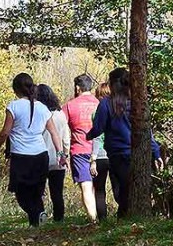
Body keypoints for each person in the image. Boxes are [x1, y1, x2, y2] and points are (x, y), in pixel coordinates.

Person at [0, 73, 66, 227]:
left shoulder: (13, 106)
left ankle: (37, 215)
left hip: (21, 156)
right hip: (40, 155)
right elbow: (54, 133)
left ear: (16, 89)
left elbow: (5, 132)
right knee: (36, 191)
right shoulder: (43, 108)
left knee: (21, 193)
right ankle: (36, 222)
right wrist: (61, 154)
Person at [87, 69, 161, 219]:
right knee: (132, 189)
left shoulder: (106, 104)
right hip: (138, 151)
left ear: (112, 84)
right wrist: (156, 151)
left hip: (117, 154)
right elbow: (147, 131)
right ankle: (129, 217)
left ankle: (124, 217)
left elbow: (98, 128)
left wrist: (88, 135)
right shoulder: (137, 103)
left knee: (122, 189)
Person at [63, 74, 101, 222]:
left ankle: (92, 219)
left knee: (86, 186)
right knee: (98, 187)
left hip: (79, 150)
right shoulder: (100, 104)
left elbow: (60, 126)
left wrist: (63, 151)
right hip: (100, 151)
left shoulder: (69, 105)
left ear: (78, 88)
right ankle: (100, 217)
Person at [37, 85, 69, 222]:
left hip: (40, 158)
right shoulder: (60, 115)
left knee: (38, 192)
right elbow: (66, 138)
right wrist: (65, 155)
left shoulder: (38, 114)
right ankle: (59, 219)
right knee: (57, 193)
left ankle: (40, 217)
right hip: (58, 158)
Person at [88, 82, 112, 221]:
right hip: (115, 154)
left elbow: (97, 137)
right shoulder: (119, 109)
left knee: (100, 191)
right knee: (118, 187)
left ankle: (103, 220)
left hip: (101, 156)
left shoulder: (97, 112)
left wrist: (93, 160)